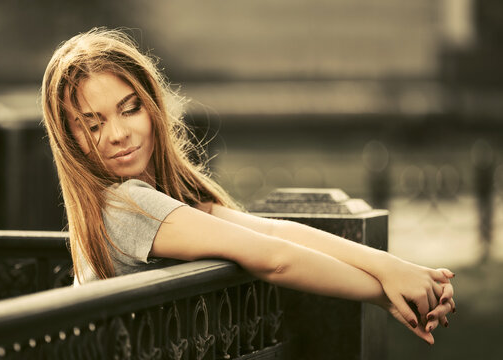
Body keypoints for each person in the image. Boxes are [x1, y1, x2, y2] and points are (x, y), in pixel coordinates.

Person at [41, 28, 455, 345]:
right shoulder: (127, 205)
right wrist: (386, 293)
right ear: (68, 138)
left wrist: (392, 270)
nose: (117, 134)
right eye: (92, 124)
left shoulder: (158, 198)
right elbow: (274, 258)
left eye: (129, 109)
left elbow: (273, 231)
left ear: (152, 106)